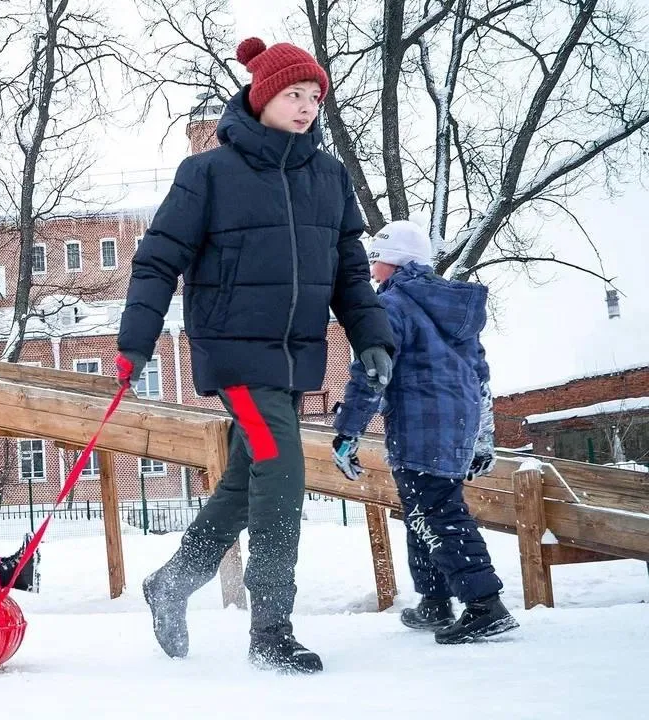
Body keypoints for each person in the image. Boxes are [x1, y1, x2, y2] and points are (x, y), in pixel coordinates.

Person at [116, 37, 396, 674]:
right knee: (284, 467)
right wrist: (135, 342)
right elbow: (158, 258)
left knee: (248, 481)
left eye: (314, 96)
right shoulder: (208, 173)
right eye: (293, 94)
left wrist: (373, 336)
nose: (305, 106)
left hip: (294, 359)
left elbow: (350, 272)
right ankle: (271, 628)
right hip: (233, 353)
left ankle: (172, 582)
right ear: (263, 95)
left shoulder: (329, 177)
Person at [331, 219, 517, 644]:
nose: (371, 267)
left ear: (391, 261)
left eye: (375, 258)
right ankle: (435, 600)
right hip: (456, 422)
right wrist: (483, 436)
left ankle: (485, 605)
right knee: (422, 508)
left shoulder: (392, 305)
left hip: (419, 420)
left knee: (437, 512)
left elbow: (371, 372)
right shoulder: (450, 308)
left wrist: (348, 432)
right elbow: (480, 374)